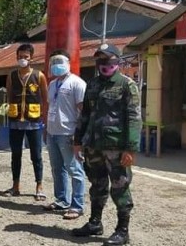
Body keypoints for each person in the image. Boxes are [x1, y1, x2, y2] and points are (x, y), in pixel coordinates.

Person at [71, 43, 142, 246]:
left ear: (117, 61)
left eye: (108, 59)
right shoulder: (92, 85)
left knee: (120, 187)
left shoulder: (127, 85)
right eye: (100, 59)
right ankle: (95, 223)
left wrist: (130, 148)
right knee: (97, 185)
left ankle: (122, 231)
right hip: (93, 145)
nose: (103, 63)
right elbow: (84, 115)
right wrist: (78, 141)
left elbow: (134, 118)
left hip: (116, 147)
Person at [43, 50, 87, 220]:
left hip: (68, 133)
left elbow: (83, 110)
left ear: (69, 63)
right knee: (57, 169)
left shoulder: (77, 83)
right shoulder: (53, 84)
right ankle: (61, 199)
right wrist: (46, 129)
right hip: (53, 132)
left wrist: (80, 136)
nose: (56, 66)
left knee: (74, 170)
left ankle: (77, 205)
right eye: (53, 62)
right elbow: (50, 107)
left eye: (60, 62)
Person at [4, 43, 47, 200]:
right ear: (16, 57)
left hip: (33, 121)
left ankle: (39, 186)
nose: (22, 59)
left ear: (31, 58)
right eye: (20, 57)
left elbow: (45, 97)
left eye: (26, 57)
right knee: (15, 154)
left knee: (36, 154)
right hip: (15, 121)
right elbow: (9, 94)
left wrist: (44, 116)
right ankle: (16, 185)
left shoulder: (39, 75)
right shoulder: (11, 75)